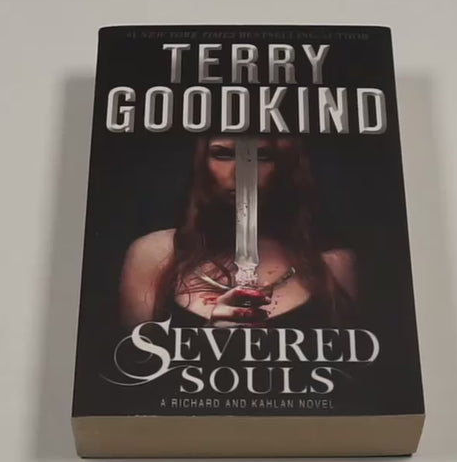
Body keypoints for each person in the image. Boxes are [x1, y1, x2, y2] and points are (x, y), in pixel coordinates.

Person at [119, 135, 358, 329]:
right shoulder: (154, 256)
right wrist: (210, 343)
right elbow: (138, 365)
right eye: (222, 154)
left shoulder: (334, 267)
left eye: (263, 156)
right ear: (200, 161)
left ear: (287, 165)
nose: (242, 172)